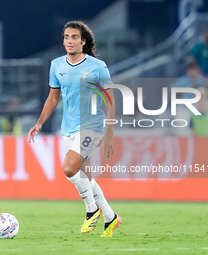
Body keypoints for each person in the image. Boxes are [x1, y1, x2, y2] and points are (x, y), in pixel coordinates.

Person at [28, 21, 121, 238]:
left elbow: (110, 100)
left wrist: (109, 134)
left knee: (69, 168)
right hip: (68, 127)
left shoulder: (98, 66)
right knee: (85, 176)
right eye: (66, 37)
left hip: (92, 125)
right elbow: (53, 97)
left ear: (83, 41)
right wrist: (39, 122)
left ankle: (92, 210)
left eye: (74, 37)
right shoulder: (57, 65)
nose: (69, 41)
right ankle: (110, 217)